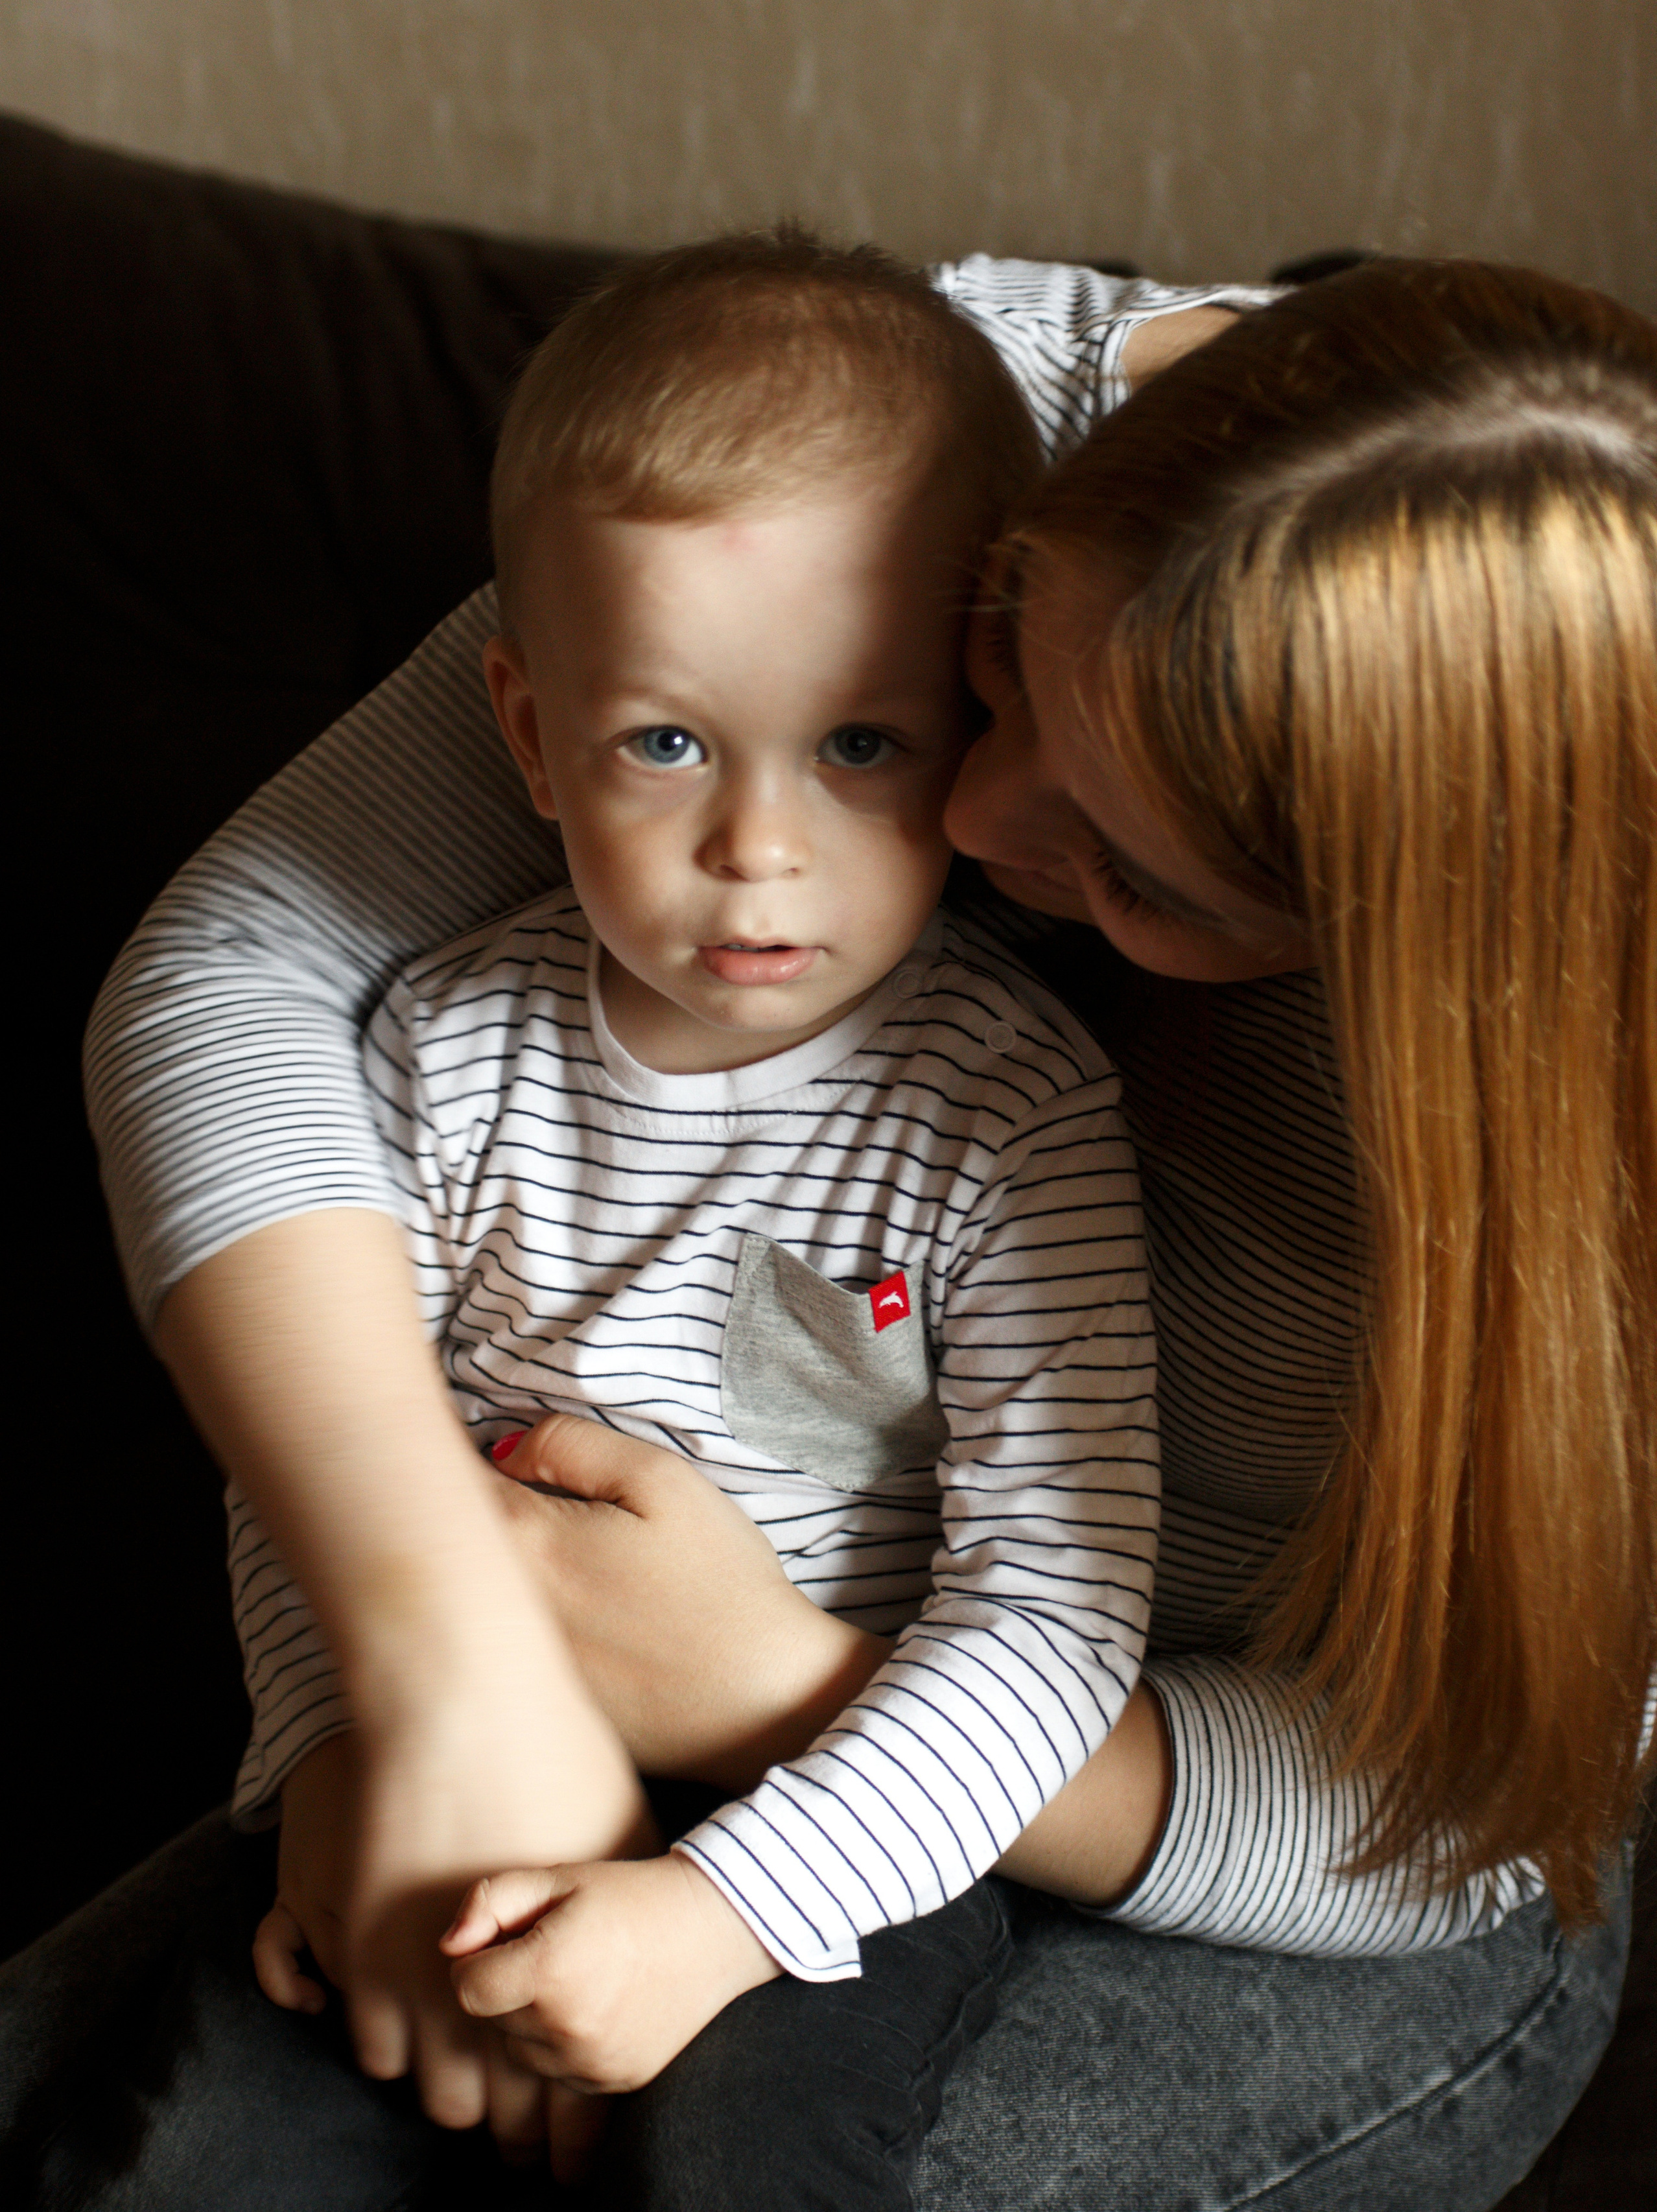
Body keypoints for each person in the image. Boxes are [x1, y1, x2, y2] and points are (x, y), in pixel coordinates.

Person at [46, 254, 1652, 2210]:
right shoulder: (912, 423)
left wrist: (772, 1704)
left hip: (1233, 1810)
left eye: (1128, 871)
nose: (971, 822)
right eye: (990, 670)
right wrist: (405, 1690)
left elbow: (1431, 1810)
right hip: (607, 1687)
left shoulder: (1013, 1112)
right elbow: (240, 1001)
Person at [238, 230, 1161, 2180]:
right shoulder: (430, 1053)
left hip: (846, 1816)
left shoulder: (1012, 1113)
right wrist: (329, 1755)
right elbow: (308, 1445)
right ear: (527, 737)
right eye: (667, 742)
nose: (757, 847)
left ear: (974, 725)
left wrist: (723, 1914)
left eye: (859, 743)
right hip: (456, 1753)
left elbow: (1050, 1637)